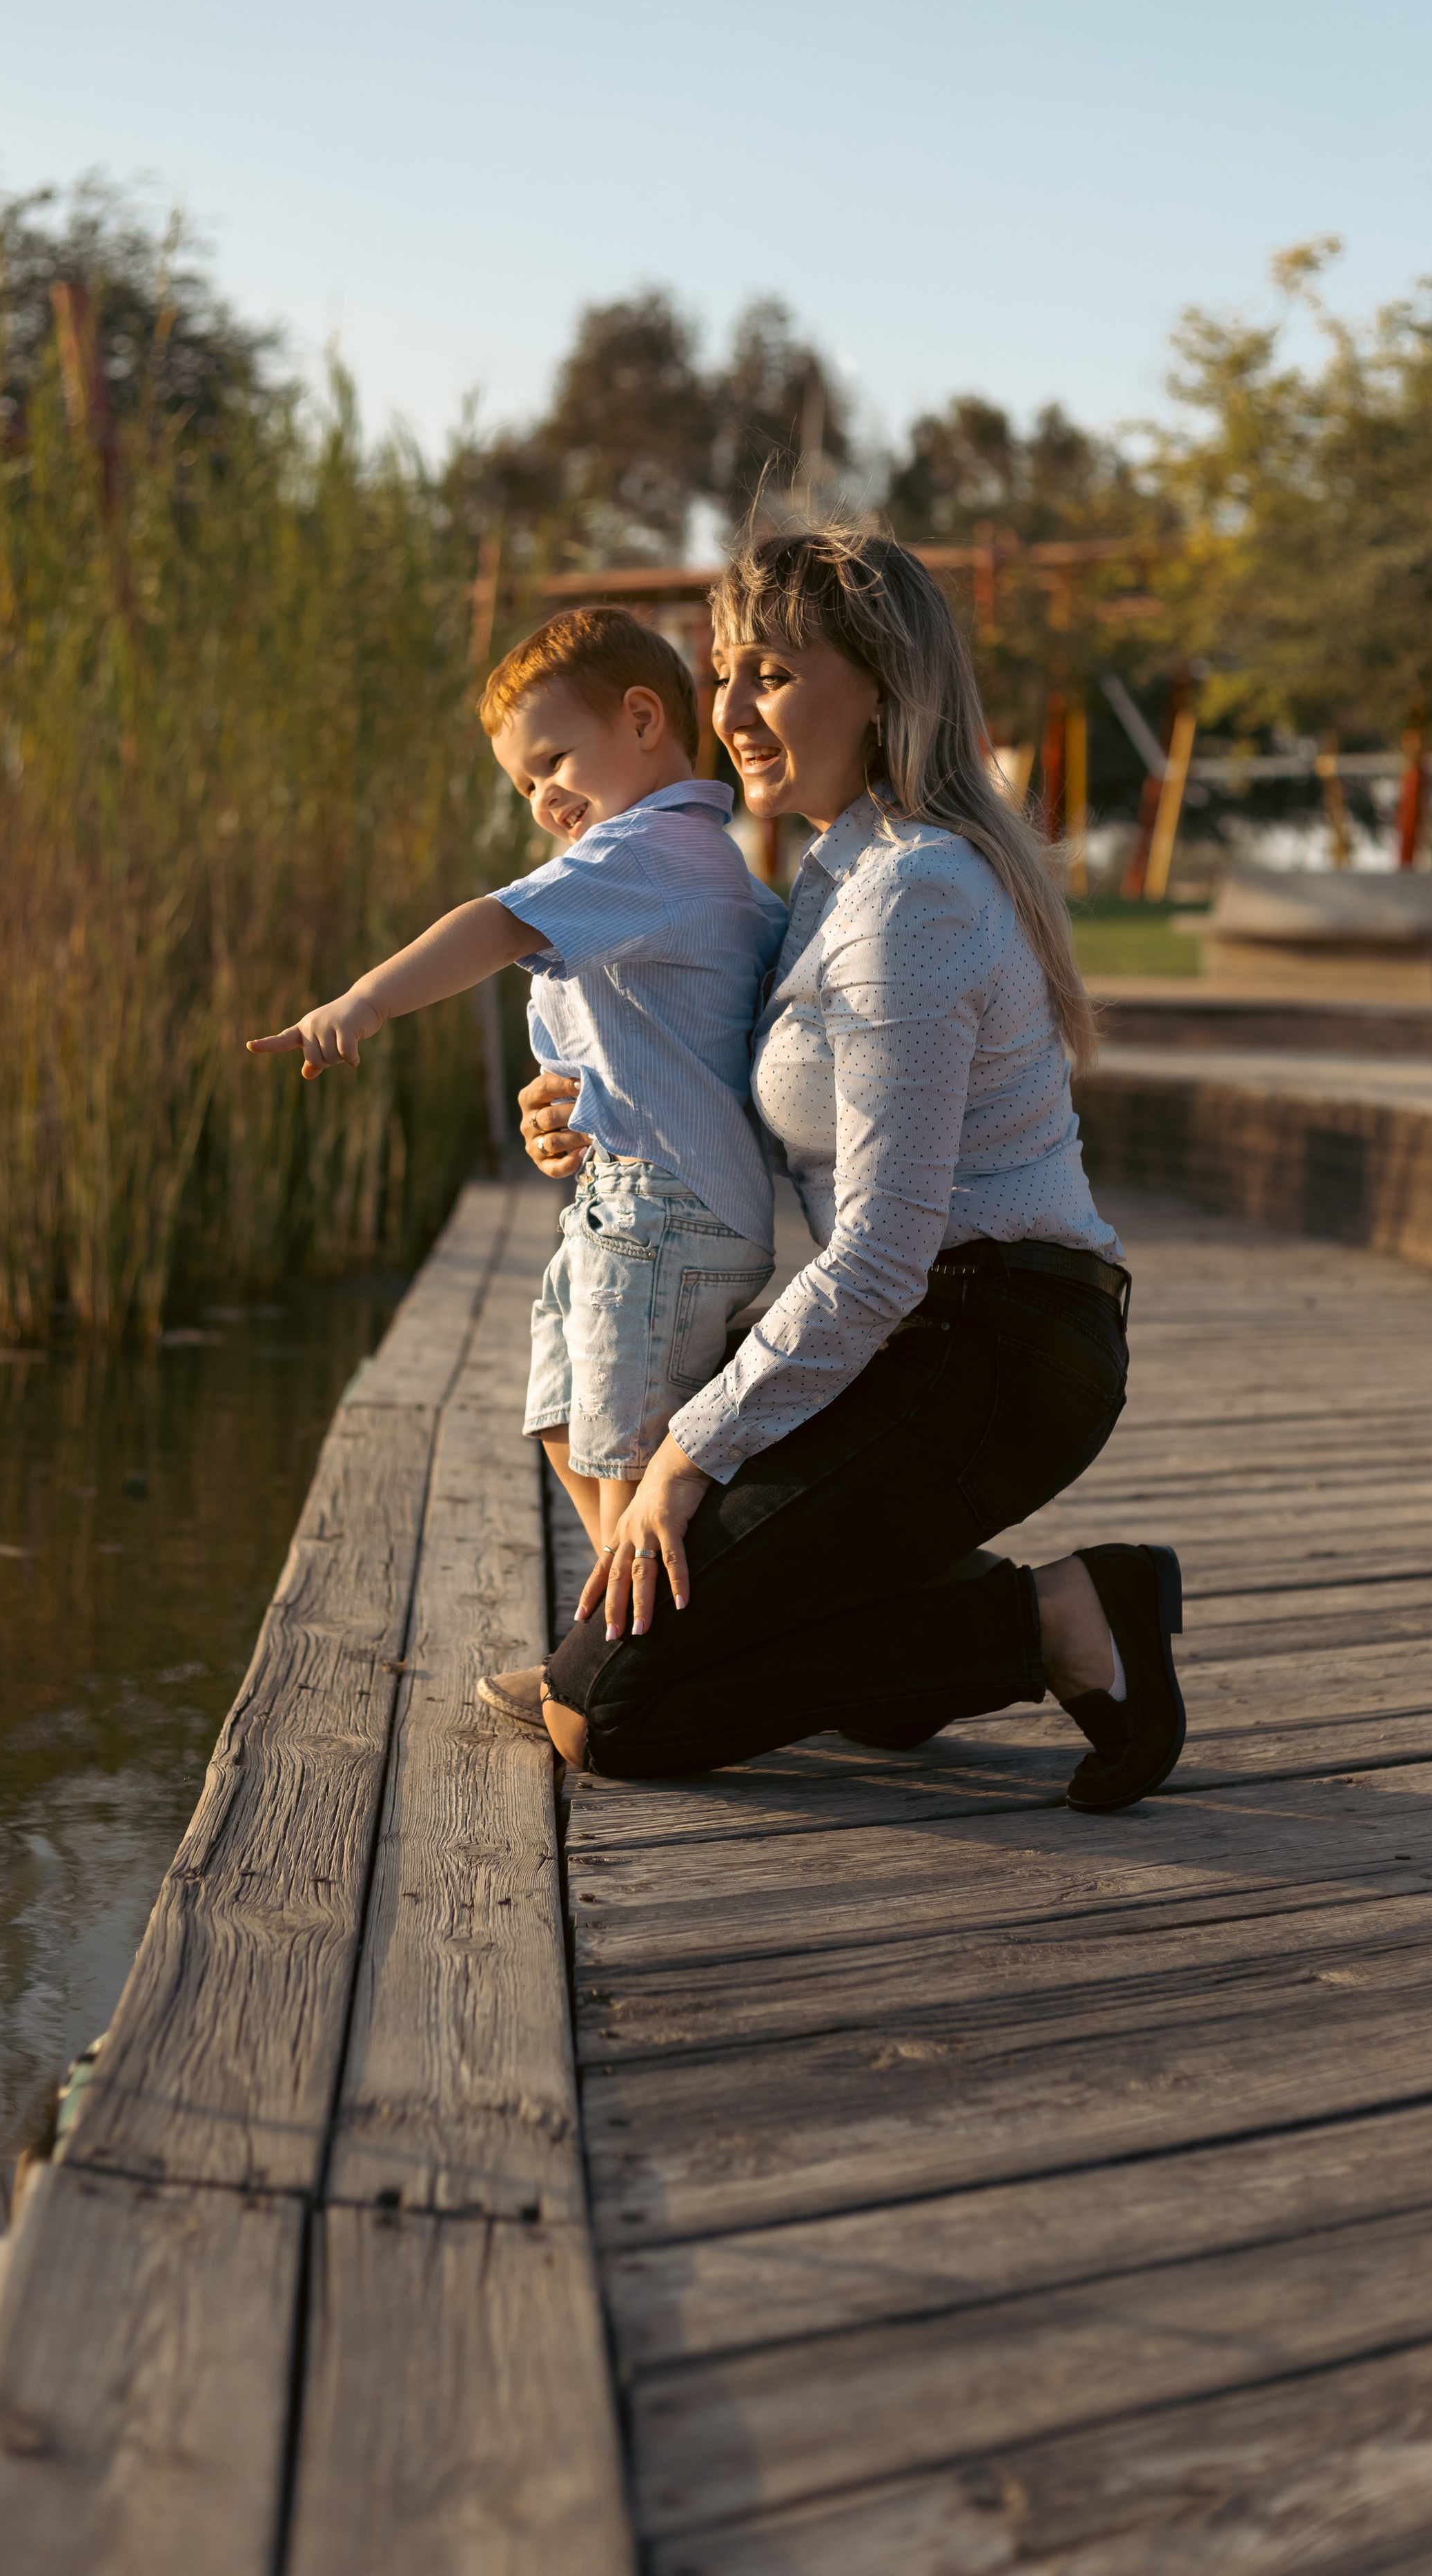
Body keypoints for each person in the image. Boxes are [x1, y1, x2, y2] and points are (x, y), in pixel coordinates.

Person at [520, 529, 1186, 1815]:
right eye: (722, 675)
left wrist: (694, 1453)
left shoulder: (911, 898)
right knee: (866, 1709)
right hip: (916, 1335)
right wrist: (586, 1109)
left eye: (768, 672)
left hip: (989, 1348)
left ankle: (1062, 1617)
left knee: (606, 1712)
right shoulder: (829, 878)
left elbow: (883, 1252)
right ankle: (915, 1648)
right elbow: (742, 1112)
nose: (728, 713)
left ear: (883, 685)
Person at [249, 605, 785, 1722]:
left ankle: (639, 1656)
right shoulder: (676, 861)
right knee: (560, 1411)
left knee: (625, 1447)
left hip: (663, 1210)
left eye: (553, 759)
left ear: (643, 720)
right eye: (519, 784)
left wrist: (364, 1001)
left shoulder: (651, 849)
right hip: (624, 1204)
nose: (540, 797)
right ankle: (636, 1636)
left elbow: (493, 923)